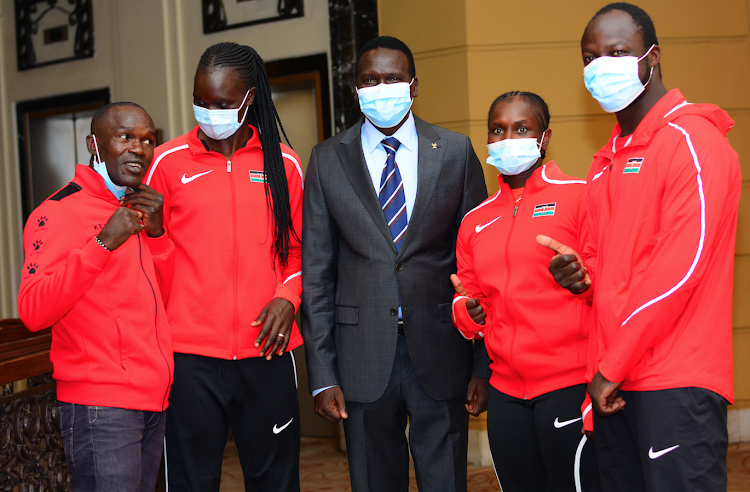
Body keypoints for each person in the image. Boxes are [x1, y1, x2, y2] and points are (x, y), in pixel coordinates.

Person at [538, 3, 741, 491]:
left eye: (616, 51)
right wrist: (582, 276)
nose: (600, 66)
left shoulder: (693, 141)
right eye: (589, 57)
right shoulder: (608, 159)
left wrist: (612, 365)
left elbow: (679, 269)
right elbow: (616, 269)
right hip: (616, 381)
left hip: (674, 381)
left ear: (652, 56)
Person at [301, 35, 491, 492]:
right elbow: (317, 276)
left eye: (392, 78)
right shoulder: (327, 160)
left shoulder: (455, 152)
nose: (381, 87)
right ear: (356, 89)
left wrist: (482, 366)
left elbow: (479, 270)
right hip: (361, 358)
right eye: (370, 79)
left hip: (442, 351)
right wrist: (322, 375)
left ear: (413, 85)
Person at [144, 42, 304, 491]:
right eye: (200, 101)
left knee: (275, 481)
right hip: (189, 359)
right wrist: (156, 239)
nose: (208, 112)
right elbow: (146, 264)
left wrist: (287, 297)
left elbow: (301, 251)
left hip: (267, 352)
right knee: (192, 482)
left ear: (249, 100)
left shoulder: (283, 165)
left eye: (222, 104)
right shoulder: (166, 164)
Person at [18, 102, 174, 492]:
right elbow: (33, 311)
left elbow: (163, 302)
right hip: (100, 407)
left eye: (147, 140)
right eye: (125, 137)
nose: (138, 148)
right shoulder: (55, 212)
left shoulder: (135, 208)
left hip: (153, 400)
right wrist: (102, 243)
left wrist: (157, 237)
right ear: (94, 143)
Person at [451, 91, 600, 491]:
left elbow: (608, 283)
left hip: (568, 385)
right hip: (505, 394)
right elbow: (466, 297)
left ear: (544, 137)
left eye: (522, 128)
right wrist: (468, 313)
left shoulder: (581, 195)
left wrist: (583, 277)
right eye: (497, 130)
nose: (508, 138)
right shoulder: (475, 220)